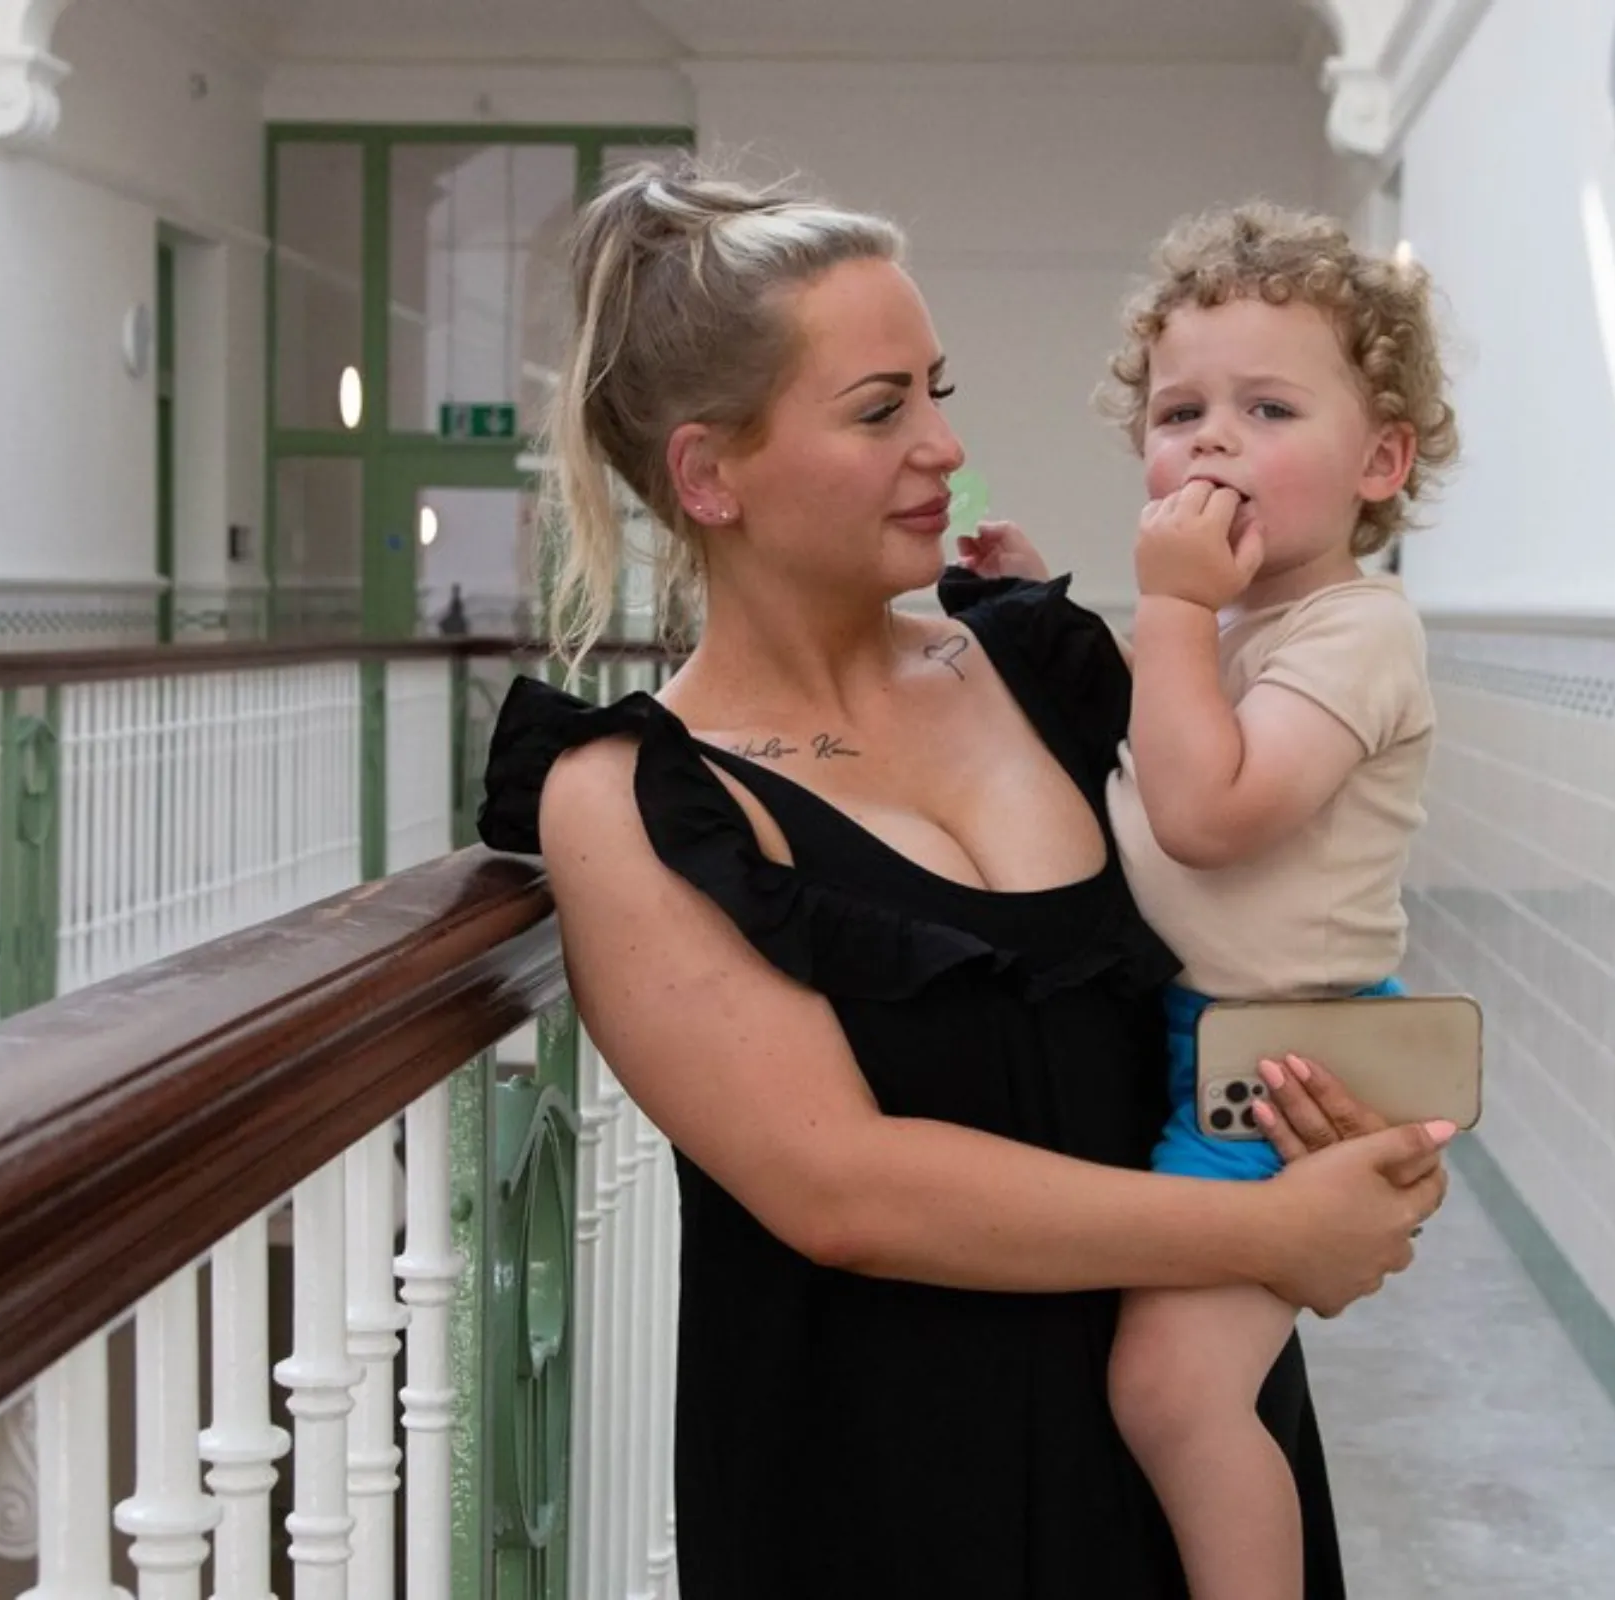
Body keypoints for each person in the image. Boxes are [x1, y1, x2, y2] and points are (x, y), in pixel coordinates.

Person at [474, 161, 1452, 1597]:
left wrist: (1341, 1130)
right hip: (888, 1502)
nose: (945, 444)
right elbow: (840, 1188)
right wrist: (1268, 1227)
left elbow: (1248, 935)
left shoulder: (1042, 665)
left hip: (1176, 1468)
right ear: (709, 474)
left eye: (939, 388)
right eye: (882, 410)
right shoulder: (630, 798)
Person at [957, 202, 1459, 1599]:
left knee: (1173, 1399)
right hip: (1207, 1031)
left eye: (1270, 406)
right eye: (1180, 411)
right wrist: (1064, 601)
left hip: (1296, 1057)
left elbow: (1210, 811)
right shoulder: (1237, 626)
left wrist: (1166, 611)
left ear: (1381, 460)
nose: (1215, 439)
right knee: (1174, 1387)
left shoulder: (1363, 631)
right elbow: (1156, 735)